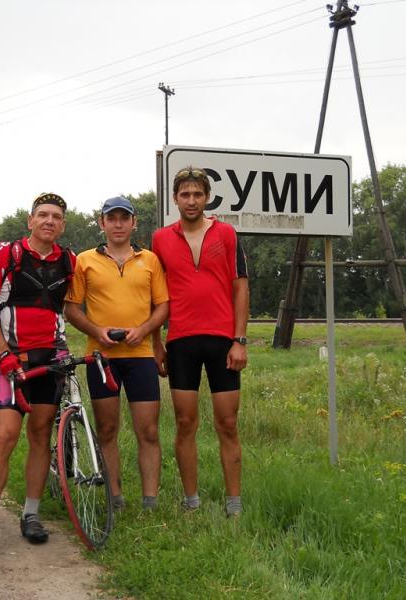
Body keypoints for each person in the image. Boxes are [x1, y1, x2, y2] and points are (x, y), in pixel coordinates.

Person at [0, 192, 76, 559]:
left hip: (51, 360)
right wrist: (2, 354)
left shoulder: (69, 260)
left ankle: (31, 514)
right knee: (4, 436)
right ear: (30, 220)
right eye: (43, 215)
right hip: (13, 360)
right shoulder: (6, 253)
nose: (49, 221)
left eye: (56, 217)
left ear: (63, 225)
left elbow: (75, 307)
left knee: (41, 436)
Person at [151, 167, 249, 517]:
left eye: (197, 194)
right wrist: (156, 344)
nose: (191, 201)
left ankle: (234, 504)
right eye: (185, 195)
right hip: (180, 342)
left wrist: (240, 340)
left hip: (222, 341)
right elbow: (154, 295)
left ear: (207, 197)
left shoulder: (227, 233)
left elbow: (240, 288)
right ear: (175, 199)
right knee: (185, 422)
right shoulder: (160, 239)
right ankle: (191, 501)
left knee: (227, 423)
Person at [64, 196, 169, 511]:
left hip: (141, 356)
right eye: (112, 219)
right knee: (107, 429)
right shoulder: (84, 261)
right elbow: (72, 308)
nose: (118, 224)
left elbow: (163, 306)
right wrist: (97, 331)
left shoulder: (150, 260)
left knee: (148, 430)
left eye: (125, 218)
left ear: (134, 223)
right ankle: (115, 498)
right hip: (102, 357)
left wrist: (144, 330)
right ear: (102, 223)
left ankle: (150, 501)